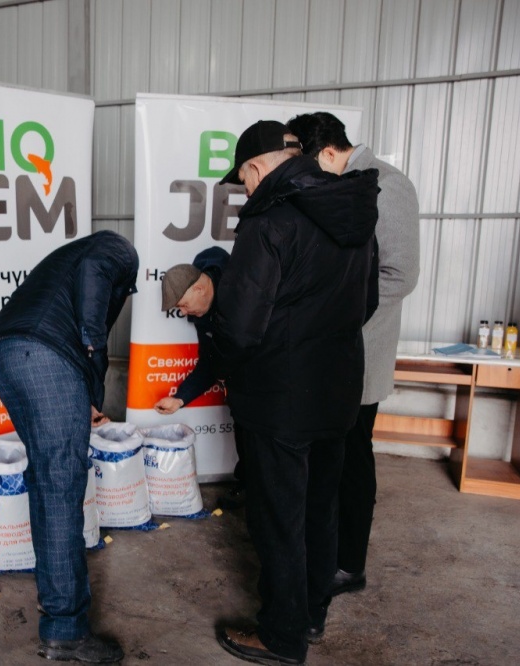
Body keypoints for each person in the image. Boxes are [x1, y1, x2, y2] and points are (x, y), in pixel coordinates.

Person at [207, 120, 379, 666]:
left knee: (279, 518)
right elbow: (368, 301)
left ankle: (281, 637)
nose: (245, 190)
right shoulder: (354, 211)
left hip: (279, 400)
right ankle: (311, 615)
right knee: (321, 508)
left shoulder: (269, 222)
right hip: (338, 390)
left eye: (242, 179)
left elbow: (241, 328)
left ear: (256, 168)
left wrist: (224, 359)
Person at [0, 230, 138, 664]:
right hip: (46, 355)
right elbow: (94, 286)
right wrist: (95, 377)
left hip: (2, 351)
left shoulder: (69, 255)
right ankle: (66, 628)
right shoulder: (116, 248)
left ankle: (53, 596)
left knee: (44, 482)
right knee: (61, 490)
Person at [287, 111, 421, 598]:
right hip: (331, 348)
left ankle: (349, 564)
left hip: (362, 349)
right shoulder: (337, 186)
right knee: (330, 462)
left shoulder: (388, 184)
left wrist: (338, 316)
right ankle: (326, 552)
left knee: (353, 460)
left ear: (327, 152)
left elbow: (400, 275)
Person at [155, 248, 247, 510]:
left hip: (265, 381)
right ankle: (247, 486)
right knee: (244, 435)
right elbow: (209, 363)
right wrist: (179, 399)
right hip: (240, 390)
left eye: (183, 305)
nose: (183, 313)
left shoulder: (241, 292)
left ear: (200, 288)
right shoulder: (202, 313)